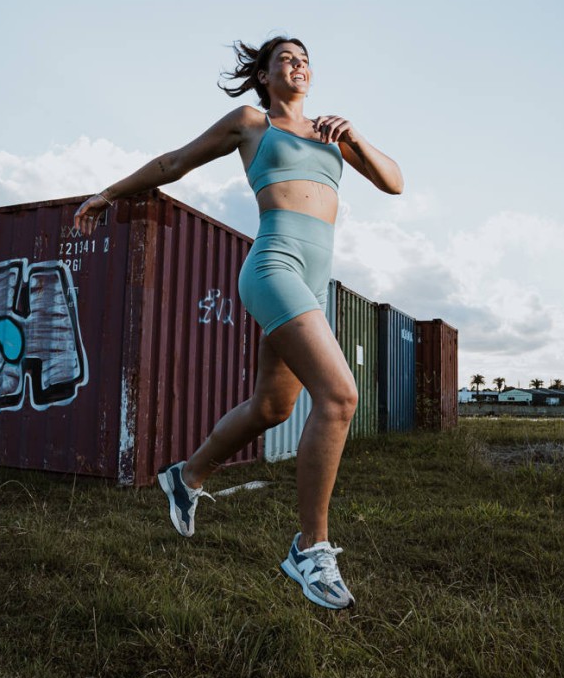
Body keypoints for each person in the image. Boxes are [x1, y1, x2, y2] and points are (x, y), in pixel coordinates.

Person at [73, 37, 403, 610]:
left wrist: (354, 136)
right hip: (274, 266)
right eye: (287, 59)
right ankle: (310, 549)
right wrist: (108, 193)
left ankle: (186, 476)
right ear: (265, 76)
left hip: (314, 281)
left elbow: (394, 181)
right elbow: (173, 163)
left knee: (273, 407)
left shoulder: (331, 134)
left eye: (305, 59)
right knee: (340, 396)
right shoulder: (252, 123)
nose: (299, 65)